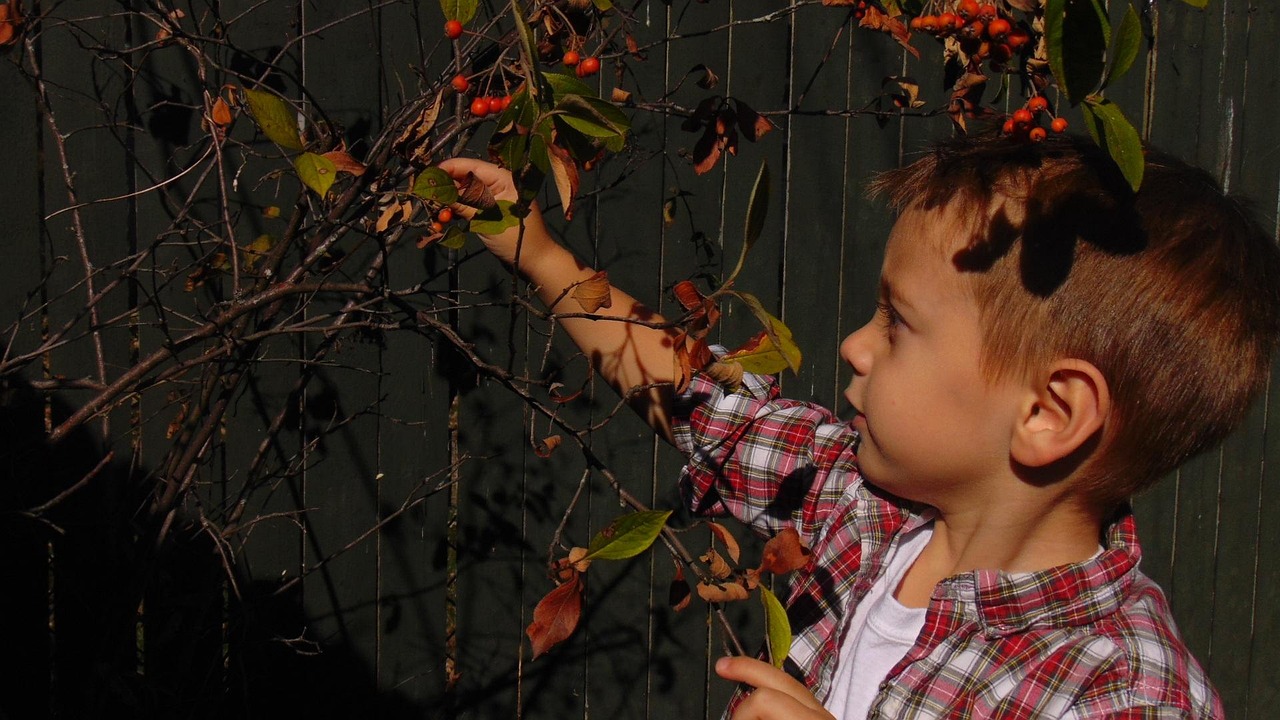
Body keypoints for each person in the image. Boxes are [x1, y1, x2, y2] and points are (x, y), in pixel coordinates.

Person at [439, 133, 1280, 719]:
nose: (853, 345)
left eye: (897, 323)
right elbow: (712, 407)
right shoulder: (867, 511)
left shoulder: (1122, 694)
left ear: (1048, 413)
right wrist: (541, 254)